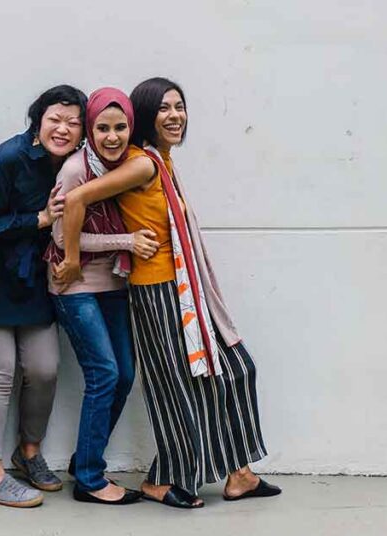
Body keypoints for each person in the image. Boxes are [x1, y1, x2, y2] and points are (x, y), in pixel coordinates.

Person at [55, 77, 281, 508]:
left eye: (179, 106)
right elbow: (77, 199)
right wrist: (70, 259)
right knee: (177, 385)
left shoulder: (161, 160)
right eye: (163, 108)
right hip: (157, 290)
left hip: (182, 287)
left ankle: (240, 473)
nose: (175, 115)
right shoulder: (143, 164)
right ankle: (163, 480)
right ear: (145, 116)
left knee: (233, 370)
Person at [0, 85, 84, 508]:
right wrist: (38, 219)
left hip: (32, 283)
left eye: (73, 123)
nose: (63, 129)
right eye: (55, 120)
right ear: (37, 121)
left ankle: (29, 453)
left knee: (44, 368)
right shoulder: (8, 158)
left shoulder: (76, 164)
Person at [45, 87, 155, 505]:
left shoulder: (127, 166)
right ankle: (91, 479)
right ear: (90, 130)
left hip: (112, 282)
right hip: (73, 284)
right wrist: (127, 240)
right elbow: (62, 238)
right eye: (102, 128)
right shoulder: (76, 170)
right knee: (104, 373)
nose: (112, 137)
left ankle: (85, 459)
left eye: (120, 127)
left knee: (124, 374)